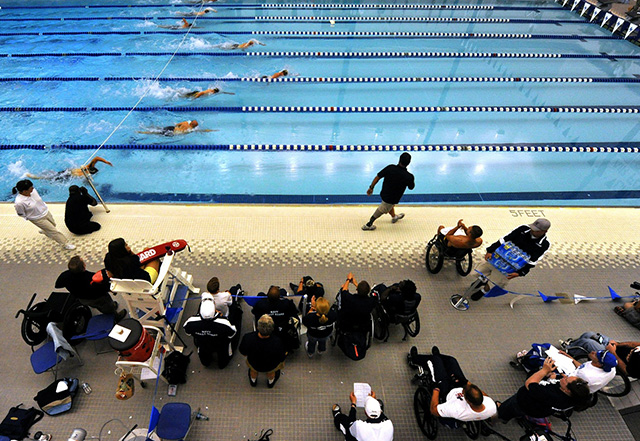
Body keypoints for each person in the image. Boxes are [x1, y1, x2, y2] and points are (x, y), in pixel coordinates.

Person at [468, 218, 551, 301]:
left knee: (494, 283)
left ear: (545, 231)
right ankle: (483, 280)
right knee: (476, 272)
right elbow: (504, 239)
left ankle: (483, 291)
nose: (532, 230)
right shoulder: (523, 229)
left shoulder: (544, 245)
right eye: (532, 228)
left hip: (508, 268)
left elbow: (533, 261)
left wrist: (520, 273)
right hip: (496, 259)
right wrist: (490, 250)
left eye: (536, 230)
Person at [408, 346, 497, 421]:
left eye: (464, 393)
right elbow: (484, 395)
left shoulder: (456, 409)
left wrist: (436, 389)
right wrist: (466, 383)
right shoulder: (491, 406)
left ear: (468, 401)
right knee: (452, 361)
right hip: (458, 386)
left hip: (445, 392)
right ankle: (438, 356)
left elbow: (434, 410)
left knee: (434, 361)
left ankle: (415, 359)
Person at [497, 357, 591, 422]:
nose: (564, 376)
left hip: (523, 403)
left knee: (509, 409)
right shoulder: (573, 397)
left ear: (567, 390)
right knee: (518, 411)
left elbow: (530, 384)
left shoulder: (551, 395)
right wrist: (552, 379)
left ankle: (501, 415)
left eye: (566, 380)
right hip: (539, 409)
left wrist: (544, 370)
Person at [516, 343, 617, 393]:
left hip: (569, 381)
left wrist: (552, 374)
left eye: (596, 355)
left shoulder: (586, 375)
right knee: (548, 346)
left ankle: (526, 363)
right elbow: (582, 366)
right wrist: (569, 357)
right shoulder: (611, 369)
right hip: (573, 373)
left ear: (599, 364)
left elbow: (568, 381)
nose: (593, 352)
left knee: (544, 360)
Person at [55, 256, 127, 322]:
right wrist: (111, 289)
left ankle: (108, 309)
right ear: (84, 266)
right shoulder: (91, 277)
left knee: (97, 306)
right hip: (98, 297)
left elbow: (57, 285)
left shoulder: (65, 276)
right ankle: (116, 317)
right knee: (107, 306)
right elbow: (103, 287)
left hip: (83, 299)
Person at [13, 179, 75, 250]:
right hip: (37, 218)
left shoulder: (33, 191)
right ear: (24, 191)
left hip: (45, 212)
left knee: (53, 225)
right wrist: (30, 217)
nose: (33, 189)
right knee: (54, 231)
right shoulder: (19, 202)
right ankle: (65, 243)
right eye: (31, 188)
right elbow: (20, 213)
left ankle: (45, 230)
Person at [362, 152, 415, 231]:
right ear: (409, 163)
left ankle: (394, 217)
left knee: (390, 206)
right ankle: (368, 224)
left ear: (399, 159)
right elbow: (411, 187)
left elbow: (378, 177)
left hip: (384, 193)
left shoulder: (390, 168)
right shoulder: (409, 176)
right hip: (392, 198)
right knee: (382, 209)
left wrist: (371, 188)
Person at [183, 293, 237, 368]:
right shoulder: (224, 323)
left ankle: (206, 363)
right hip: (220, 344)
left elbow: (188, 332)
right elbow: (232, 333)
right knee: (224, 354)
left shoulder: (190, 322)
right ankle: (222, 364)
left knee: (204, 355)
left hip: (203, 343)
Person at [239, 314, 287, 388]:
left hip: (254, 363)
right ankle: (270, 383)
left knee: (253, 371)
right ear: (272, 329)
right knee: (271, 373)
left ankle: (253, 381)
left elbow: (243, 352)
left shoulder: (248, 338)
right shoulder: (277, 341)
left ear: (258, 327)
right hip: (271, 365)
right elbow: (281, 357)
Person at [564, 332, 640, 378]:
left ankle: (569, 350)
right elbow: (633, 344)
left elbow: (626, 371)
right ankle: (574, 346)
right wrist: (618, 344)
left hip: (612, 358)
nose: (631, 351)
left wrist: (613, 352)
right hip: (616, 348)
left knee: (588, 342)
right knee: (589, 334)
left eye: (632, 353)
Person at [251, 285, 300, 351]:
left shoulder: (260, 304)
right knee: (283, 291)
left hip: (266, 328)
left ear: (267, 296)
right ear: (279, 297)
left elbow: (254, 312)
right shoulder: (286, 303)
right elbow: (294, 312)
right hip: (283, 329)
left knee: (260, 294)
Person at [26, 157, 112, 181]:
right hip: (67, 175)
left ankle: (35, 176)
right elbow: (86, 182)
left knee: (53, 174)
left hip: (67, 172)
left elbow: (96, 158)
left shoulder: (86, 167)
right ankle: (35, 177)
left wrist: (106, 161)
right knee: (50, 178)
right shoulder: (85, 175)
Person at [138, 120, 210, 136]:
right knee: (156, 133)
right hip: (172, 133)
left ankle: (146, 127)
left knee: (159, 129)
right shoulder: (190, 130)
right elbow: (201, 131)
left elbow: (177, 125)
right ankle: (142, 132)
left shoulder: (185, 122)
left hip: (171, 128)